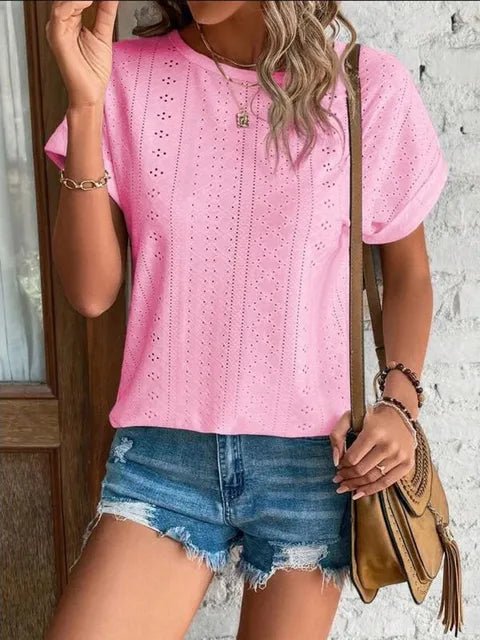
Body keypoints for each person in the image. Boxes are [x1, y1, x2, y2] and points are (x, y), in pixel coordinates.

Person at [43, 1, 449, 638]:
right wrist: (86, 105)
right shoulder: (123, 78)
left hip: (316, 466)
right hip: (163, 457)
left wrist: (400, 401)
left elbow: (409, 275)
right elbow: (91, 294)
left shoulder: (367, 88)